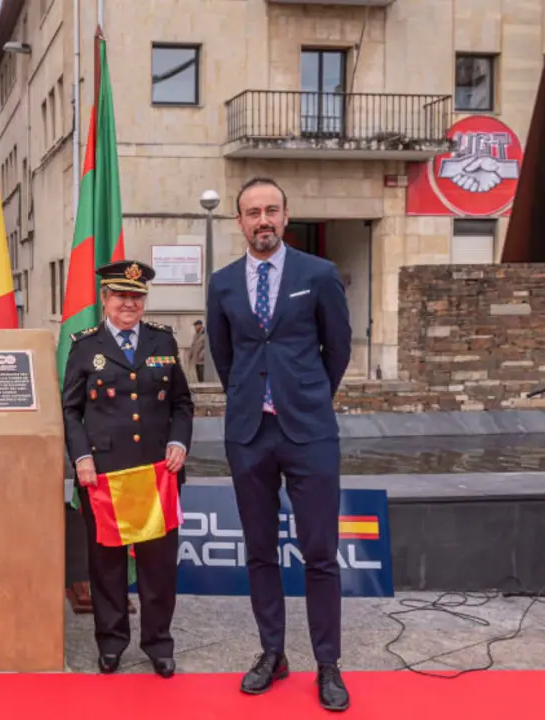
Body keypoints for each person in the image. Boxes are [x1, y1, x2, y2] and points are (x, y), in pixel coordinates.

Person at [205, 177, 352, 711]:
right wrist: (253, 399)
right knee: (261, 551)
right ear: (239, 222)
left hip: (309, 432)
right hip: (249, 434)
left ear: (285, 217)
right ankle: (273, 652)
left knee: (319, 553)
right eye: (251, 212)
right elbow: (225, 359)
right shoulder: (221, 284)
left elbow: (337, 348)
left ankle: (328, 664)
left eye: (271, 210)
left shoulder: (319, 274)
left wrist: (306, 397)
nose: (262, 220)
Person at [62, 260, 194, 676]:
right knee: (107, 566)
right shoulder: (85, 345)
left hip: (157, 471)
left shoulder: (163, 342)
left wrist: (178, 441)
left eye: (136, 297)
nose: (129, 303)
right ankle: (112, 640)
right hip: (104, 474)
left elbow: (181, 403)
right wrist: (81, 457)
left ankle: (158, 643)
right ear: (105, 298)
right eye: (121, 295)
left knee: (158, 565)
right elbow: (71, 411)